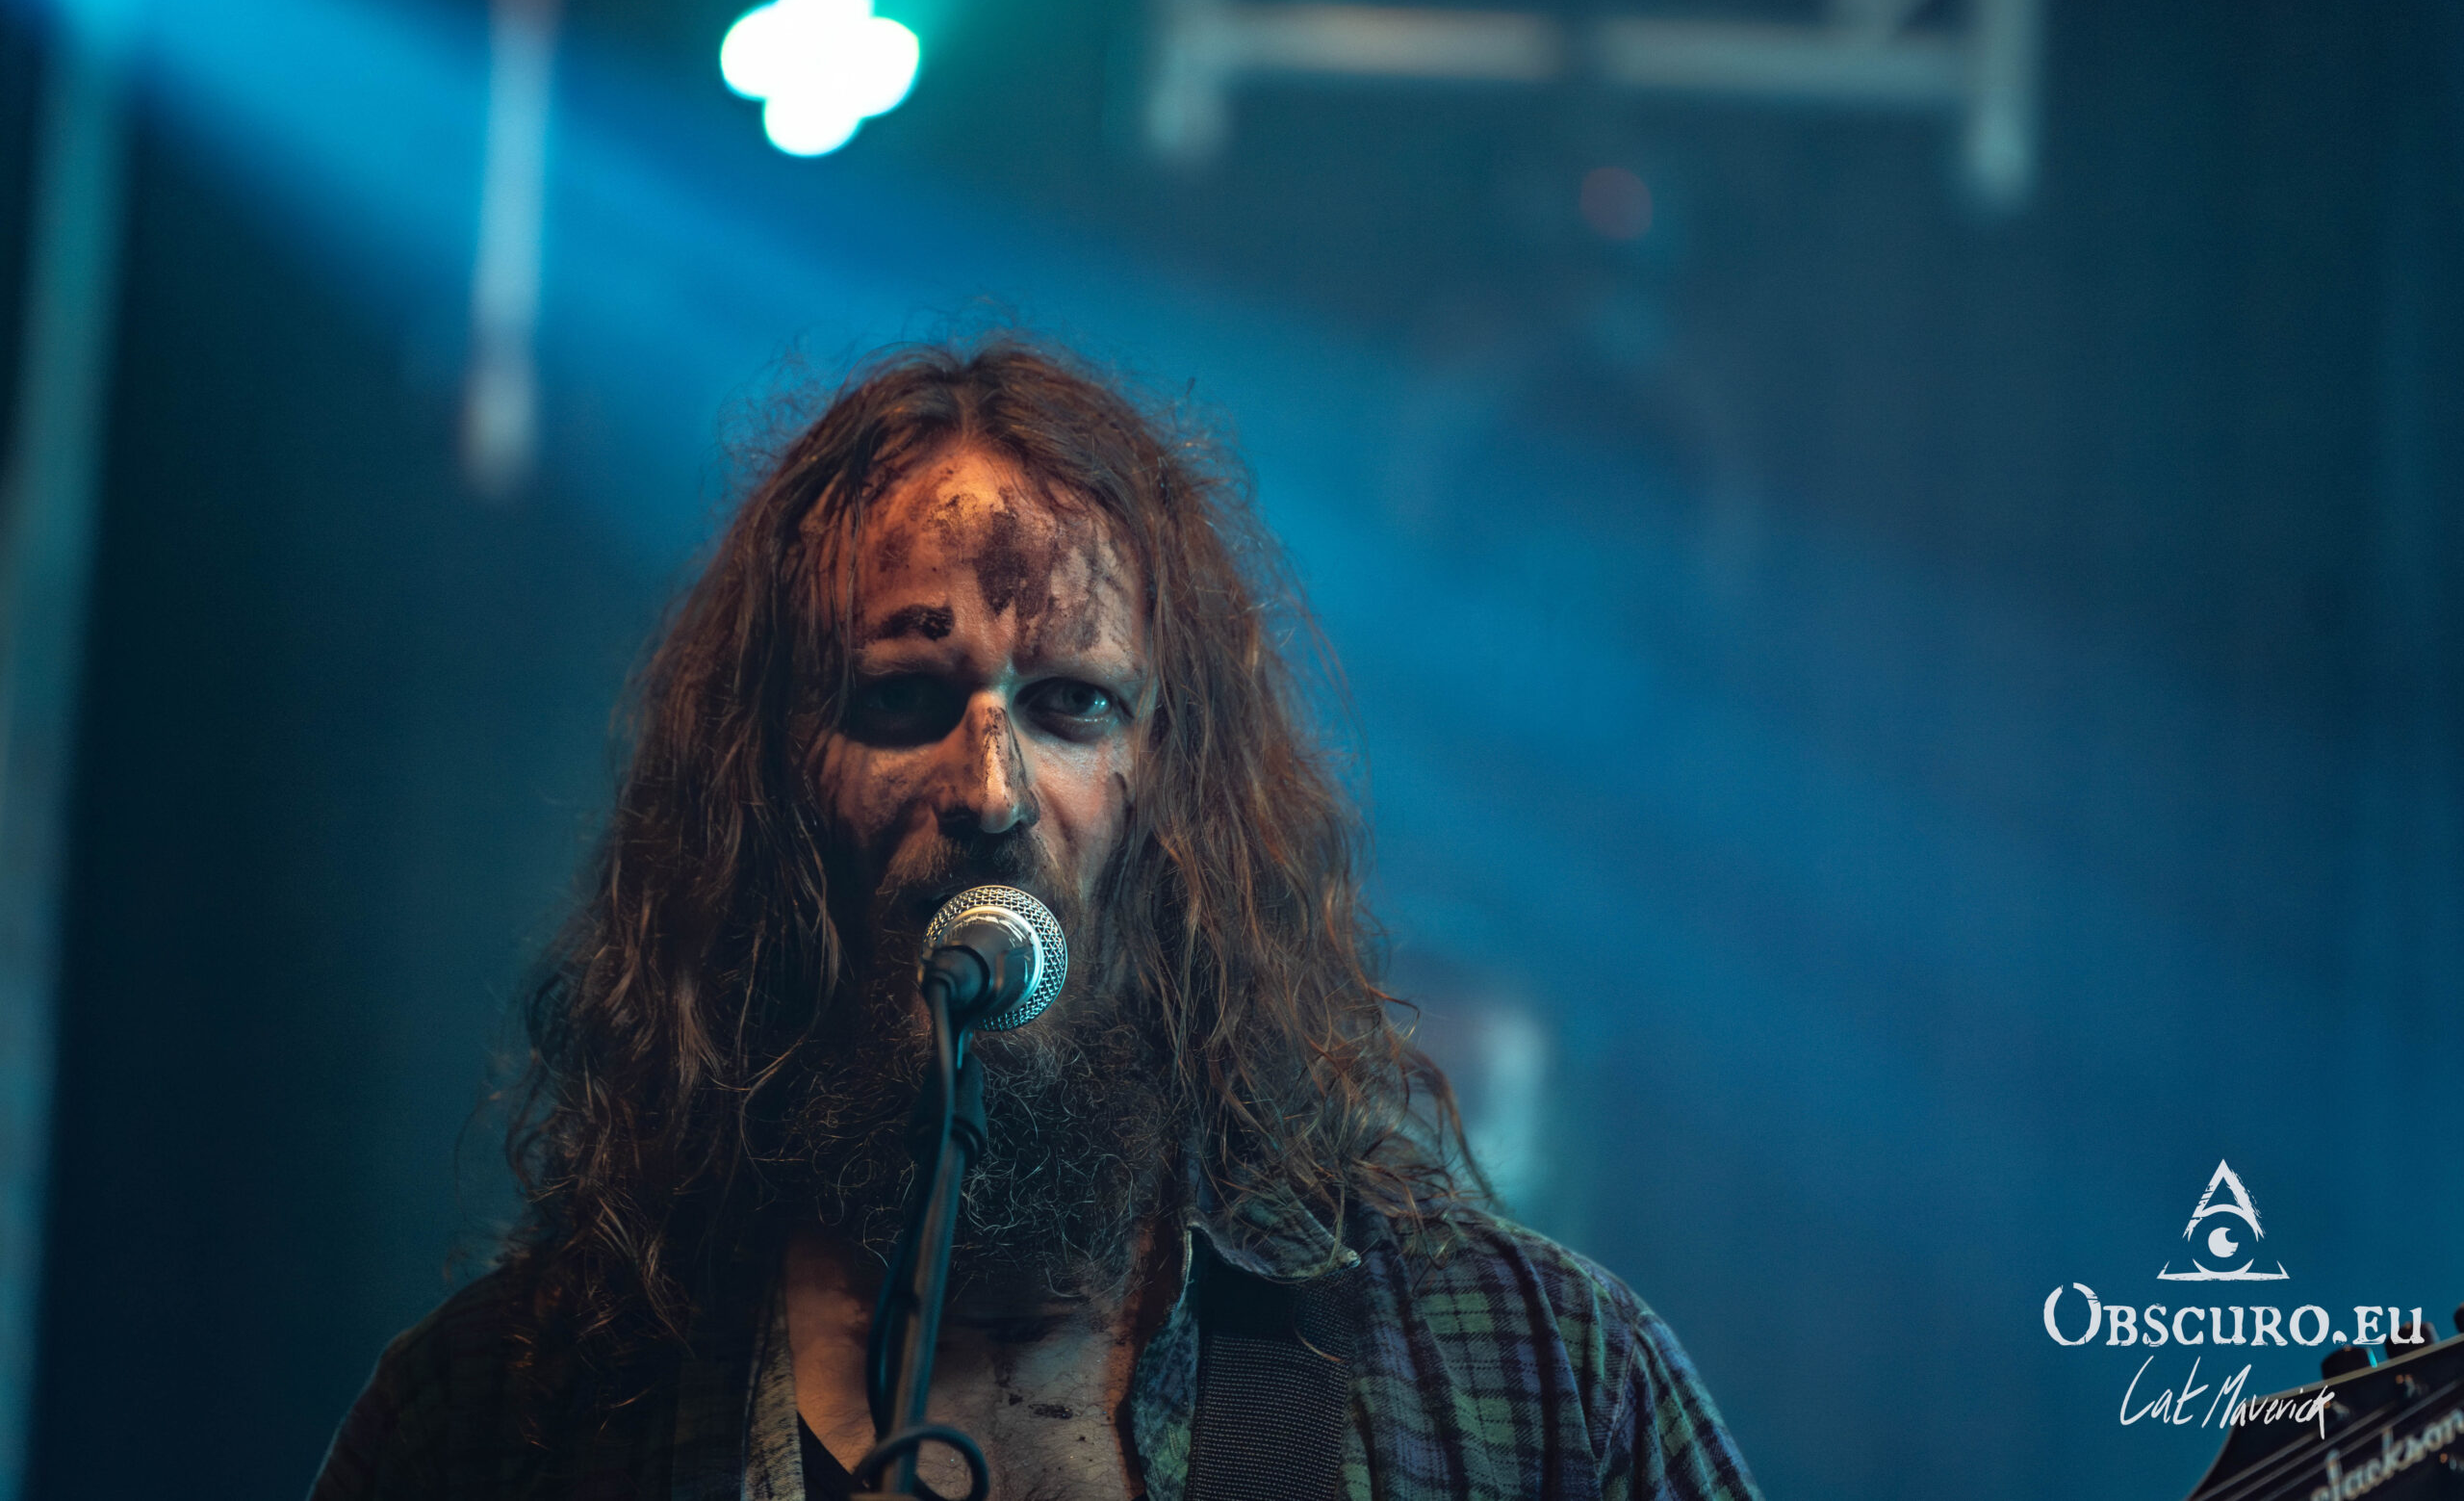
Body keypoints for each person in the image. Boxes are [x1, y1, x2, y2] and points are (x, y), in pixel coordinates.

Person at [310, 343, 1760, 1501]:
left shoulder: (1532, 1380)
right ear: (768, 804)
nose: (993, 790)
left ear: (1179, 802)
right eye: (901, 699)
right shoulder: (502, 1417)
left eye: (1074, 704)